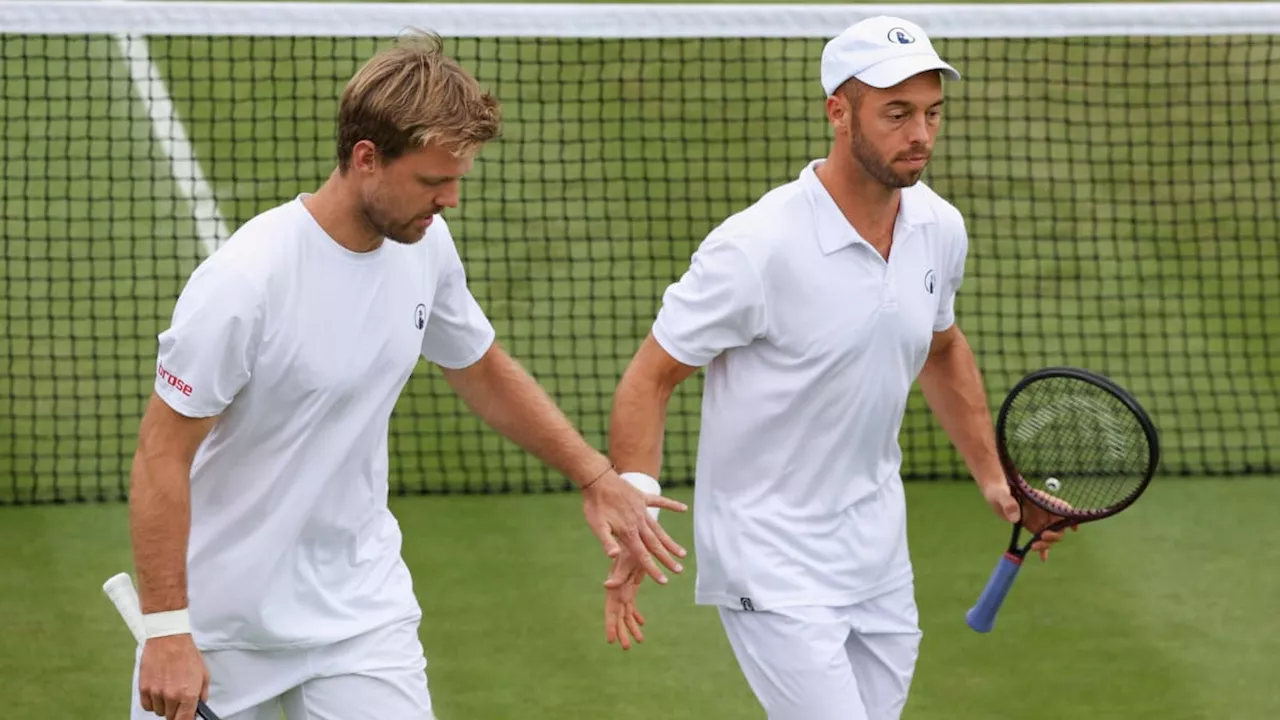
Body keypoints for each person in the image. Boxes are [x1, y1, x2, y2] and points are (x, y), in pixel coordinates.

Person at [127, 32, 687, 720]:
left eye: (457, 178)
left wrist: (594, 475)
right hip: (219, 624)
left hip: (360, 612)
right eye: (432, 180)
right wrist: (166, 630)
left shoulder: (424, 245)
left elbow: (478, 365)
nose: (450, 199)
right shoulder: (245, 284)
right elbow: (161, 455)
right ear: (366, 159)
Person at [601, 15, 1072, 719]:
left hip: (878, 551)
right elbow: (651, 376)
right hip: (769, 553)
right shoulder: (755, 249)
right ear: (838, 112)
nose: (920, 134)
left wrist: (996, 480)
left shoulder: (939, 228)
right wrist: (634, 499)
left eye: (931, 113)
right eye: (896, 114)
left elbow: (941, 348)